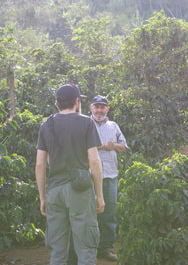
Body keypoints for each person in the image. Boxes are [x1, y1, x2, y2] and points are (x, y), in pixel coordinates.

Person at [35, 84, 105, 265]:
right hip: (80, 191)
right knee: (86, 249)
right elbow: (95, 161)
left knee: (58, 251)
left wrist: (43, 198)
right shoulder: (86, 123)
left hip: (55, 192)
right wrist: (100, 195)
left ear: (57, 103)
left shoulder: (46, 125)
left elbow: (40, 165)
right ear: (77, 101)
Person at [90, 95, 127, 261]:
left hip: (111, 176)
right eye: (96, 107)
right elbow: (79, 147)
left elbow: (123, 147)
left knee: (109, 214)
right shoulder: (85, 124)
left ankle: (105, 249)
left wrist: (115, 146)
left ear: (107, 109)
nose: (99, 110)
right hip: (89, 176)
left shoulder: (113, 126)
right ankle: (88, 249)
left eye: (102, 107)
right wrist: (103, 146)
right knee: (89, 214)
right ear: (91, 108)